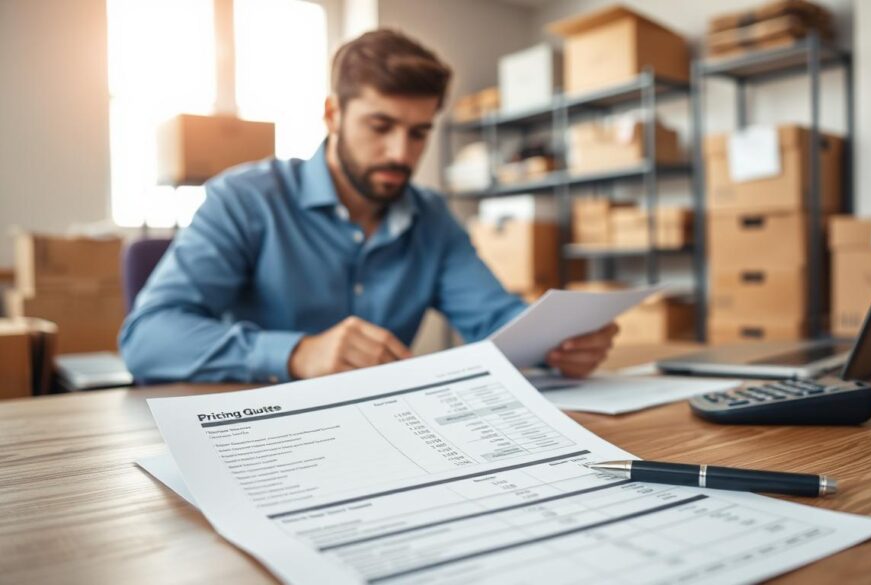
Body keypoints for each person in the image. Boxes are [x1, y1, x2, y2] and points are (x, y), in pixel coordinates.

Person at [120, 29, 618, 384]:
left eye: (419, 133)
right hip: (263, 438)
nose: (402, 154)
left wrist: (558, 344)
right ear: (332, 114)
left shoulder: (432, 219)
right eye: (381, 127)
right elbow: (147, 337)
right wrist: (295, 353)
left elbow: (495, 320)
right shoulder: (245, 200)